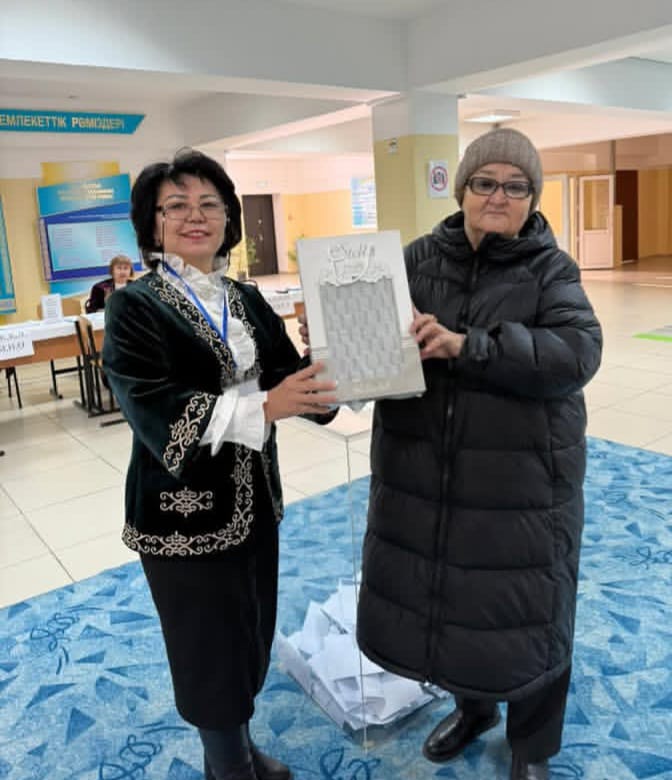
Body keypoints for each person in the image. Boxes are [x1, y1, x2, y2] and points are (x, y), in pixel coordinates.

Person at [354, 128, 602, 780]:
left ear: (532, 199)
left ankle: (532, 748)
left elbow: (577, 353)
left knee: (530, 612)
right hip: (429, 471)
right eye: (485, 182)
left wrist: (470, 346)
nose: (499, 196)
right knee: (457, 601)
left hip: (521, 482)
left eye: (516, 186)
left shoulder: (551, 270)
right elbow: (373, 347)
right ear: (462, 189)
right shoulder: (413, 261)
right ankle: (475, 710)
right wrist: (340, 342)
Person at [102, 149, 337, 780]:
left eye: (209, 203)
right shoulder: (134, 307)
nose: (195, 216)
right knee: (207, 650)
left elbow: (293, 383)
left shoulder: (247, 299)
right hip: (180, 514)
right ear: (152, 224)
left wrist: (330, 352)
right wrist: (268, 404)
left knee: (250, 633)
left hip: (255, 502)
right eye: (175, 206)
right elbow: (154, 408)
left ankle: (238, 748)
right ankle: (228, 765)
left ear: (229, 218)